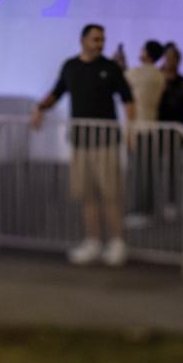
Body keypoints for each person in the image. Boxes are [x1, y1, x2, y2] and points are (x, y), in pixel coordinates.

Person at [30, 24, 136, 266]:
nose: (100, 44)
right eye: (95, 39)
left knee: (110, 194)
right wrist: (39, 108)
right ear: (83, 40)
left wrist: (131, 128)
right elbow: (56, 93)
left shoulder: (110, 68)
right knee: (87, 194)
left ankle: (118, 242)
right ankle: (93, 241)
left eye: (102, 40)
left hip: (106, 143)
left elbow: (128, 99)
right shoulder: (70, 67)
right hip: (80, 142)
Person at [123, 40, 168, 227]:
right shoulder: (160, 76)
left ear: (147, 53)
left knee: (139, 172)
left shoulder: (137, 73)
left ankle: (140, 210)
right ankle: (147, 209)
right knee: (148, 171)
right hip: (152, 127)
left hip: (138, 128)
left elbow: (123, 80)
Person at [154, 43, 183, 221]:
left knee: (173, 169)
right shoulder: (157, 77)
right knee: (153, 167)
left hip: (177, 131)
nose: (171, 61)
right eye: (168, 57)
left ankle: (171, 203)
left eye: (174, 58)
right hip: (157, 129)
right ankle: (152, 203)